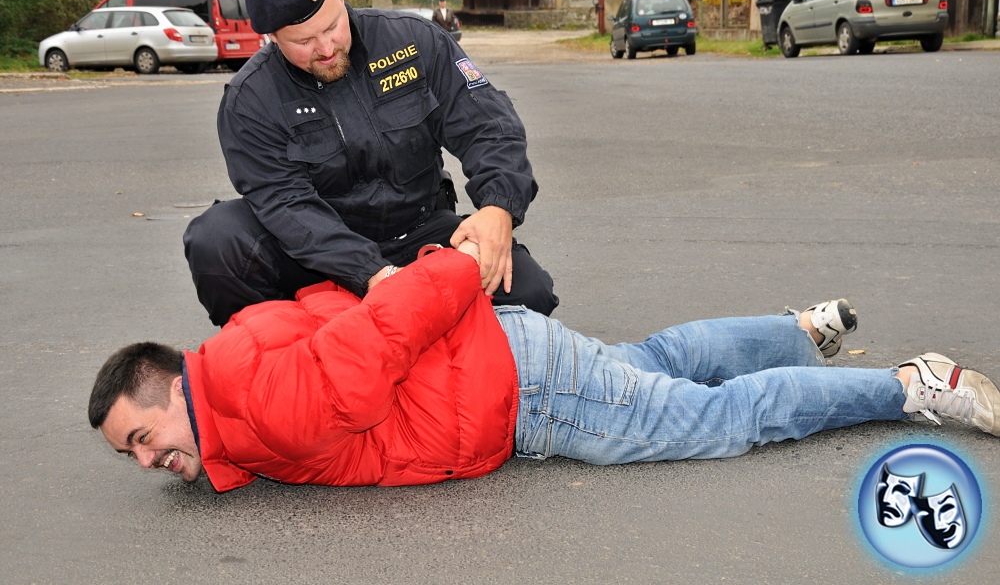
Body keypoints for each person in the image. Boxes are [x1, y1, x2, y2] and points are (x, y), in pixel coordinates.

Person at [88, 245, 1000, 493]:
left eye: (142, 437)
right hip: (504, 357)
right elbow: (336, 308)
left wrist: (459, 265)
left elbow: (378, 329)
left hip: (522, 394)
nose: (147, 461)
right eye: (130, 456)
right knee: (660, 361)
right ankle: (802, 328)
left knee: (715, 420)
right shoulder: (238, 348)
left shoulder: (256, 406)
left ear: (174, 386)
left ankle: (915, 386)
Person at [182, 0, 557, 326]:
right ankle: (274, 353)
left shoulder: (413, 40)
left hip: (418, 232)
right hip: (316, 254)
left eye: (332, 25)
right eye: (304, 41)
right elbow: (285, 204)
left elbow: (487, 125)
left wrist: (499, 208)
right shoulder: (250, 101)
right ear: (272, 37)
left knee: (529, 293)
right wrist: (371, 274)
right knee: (216, 242)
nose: (326, 48)